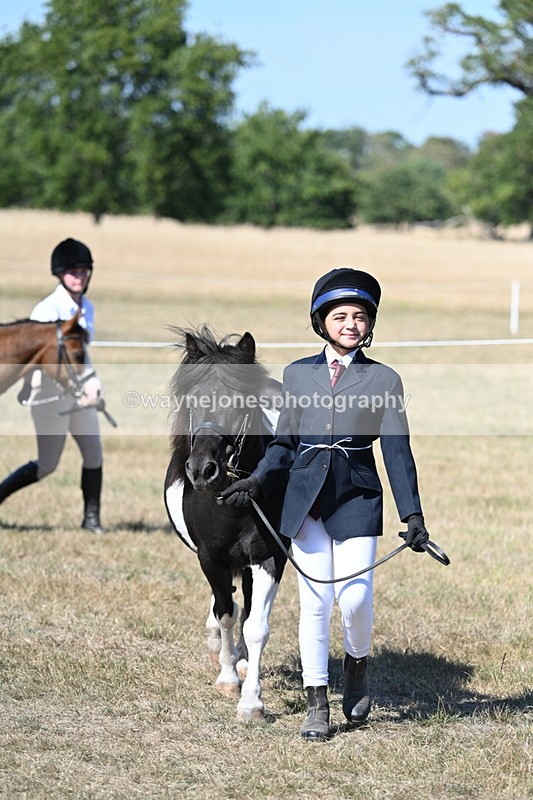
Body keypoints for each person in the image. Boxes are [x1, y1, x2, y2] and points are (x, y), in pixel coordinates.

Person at [218, 267, 430, 740]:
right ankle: (317, 701)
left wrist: (412, 514)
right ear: (321, 322)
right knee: (316, 602)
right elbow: (284, 443)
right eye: (340, 316)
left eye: (360, 316)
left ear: (370, 325)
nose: (350, 324)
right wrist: (257, 480)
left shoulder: (385, 380)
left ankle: (356, 667)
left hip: (356, 498)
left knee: (355, 598)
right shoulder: (297, 374)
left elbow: (397, 452)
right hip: (305, 500)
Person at [0, 238, 106, 533]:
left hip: (79, 395)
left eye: (85, 270)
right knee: (47, 464)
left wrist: (92, 387)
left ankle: (91, 520)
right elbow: (30, 358)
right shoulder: (46, 310)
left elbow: (80, 356)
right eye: (73, 270)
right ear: (60, 274)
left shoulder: (89, 308)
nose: (79, 275)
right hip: (48, 397)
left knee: (94, 453)